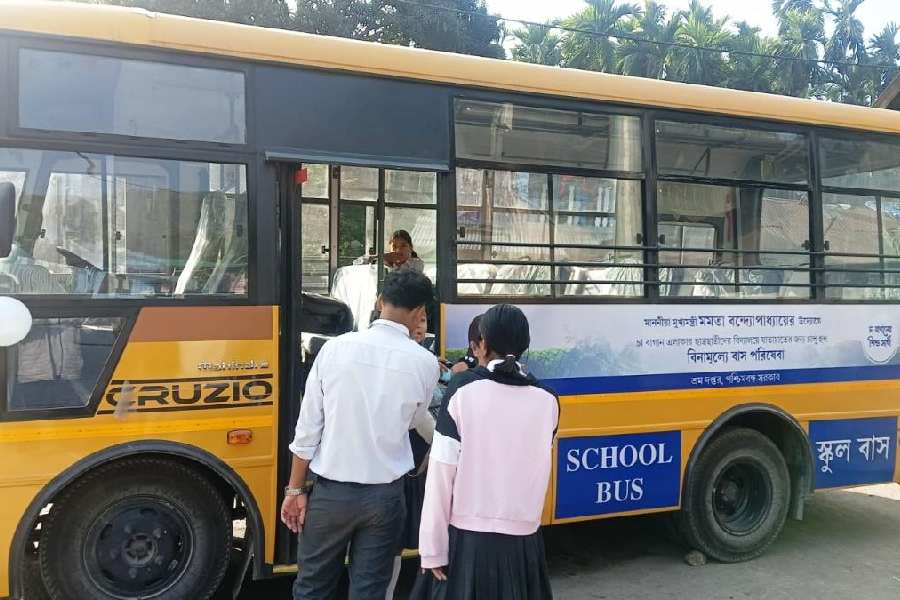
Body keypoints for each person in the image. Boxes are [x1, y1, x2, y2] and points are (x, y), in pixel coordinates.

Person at [281, 269, 439, 600]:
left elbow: (308, 429)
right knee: (370, 591)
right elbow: (414, 419)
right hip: (385, 500)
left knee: (312, 588)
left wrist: (295, 490)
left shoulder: (335, 349)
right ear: (418, 313)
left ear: (380, 302)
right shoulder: (424, 363)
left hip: (330, 497)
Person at [415, 304, 559, 600]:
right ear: (525, 346)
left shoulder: (463, 391)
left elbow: (441, 475)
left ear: (483, 343)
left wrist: (432, 549)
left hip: (468, 543)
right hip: (524, 543)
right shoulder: (548, 401)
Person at [355, 229, 424, 274]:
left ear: (410, 248)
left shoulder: (416, 264)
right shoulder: (382, 261)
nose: (398, 250)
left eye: (403, 246)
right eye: (394, 246)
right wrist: (380, 257)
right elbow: (356, 265)